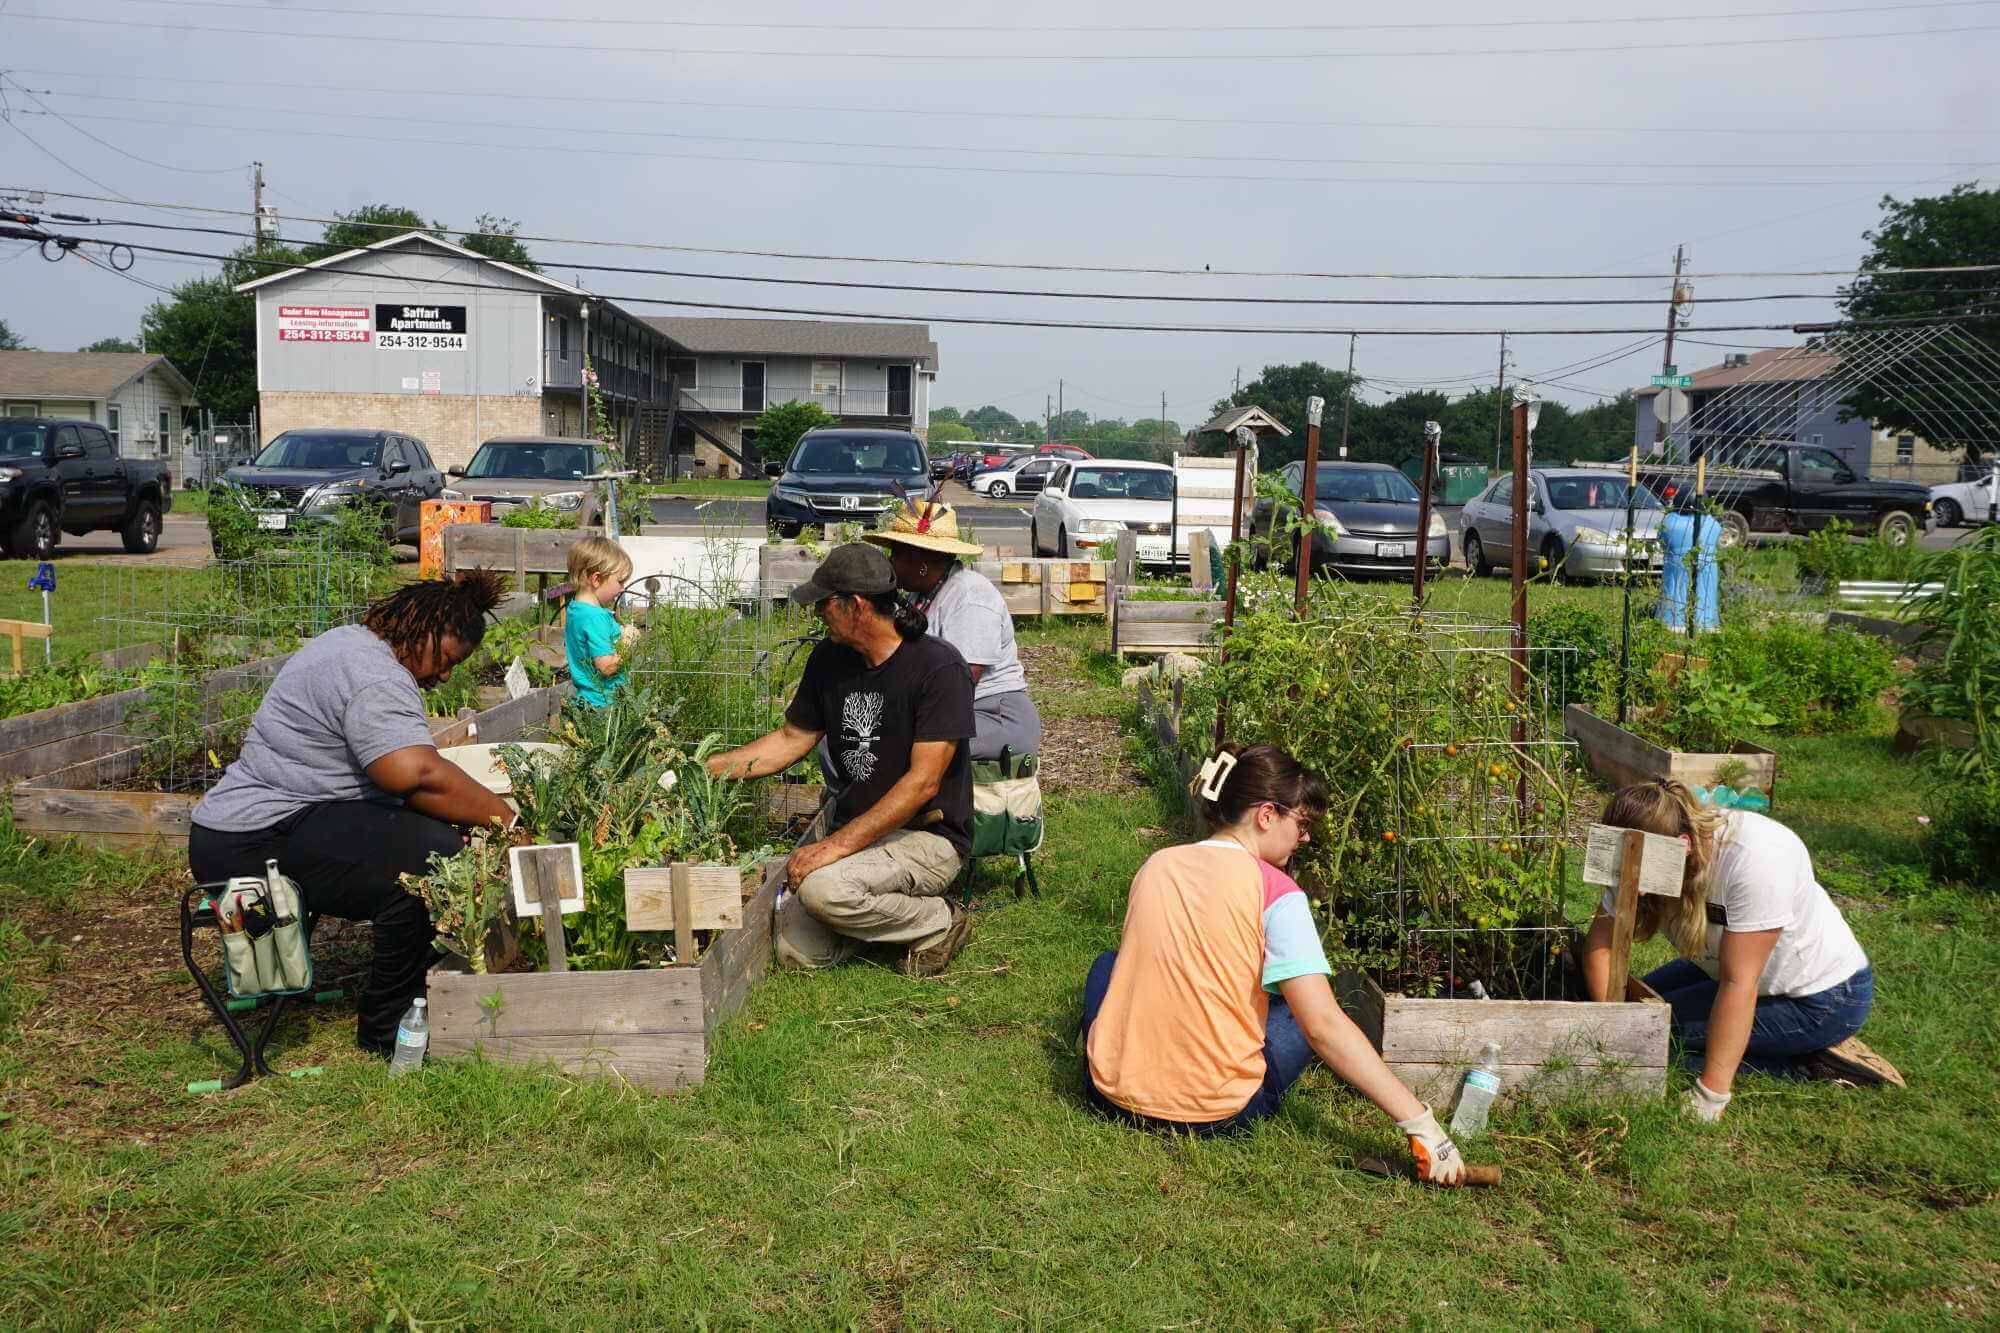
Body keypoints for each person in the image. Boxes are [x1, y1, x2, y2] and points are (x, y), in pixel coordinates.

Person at [1080, 743, 1468, 1184]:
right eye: (1301, 823)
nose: (1304, 838)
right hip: (1217, 1115)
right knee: (1305, 1010)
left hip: (1110, 1096)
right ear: (1267, 815)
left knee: (1110, 966)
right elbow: (1322, 1026)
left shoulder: (1158, 864)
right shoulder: (1278, 892)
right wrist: (1420, 1122)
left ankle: (1127, 1062)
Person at [188, 573, 519, 1055]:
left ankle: (411, 996)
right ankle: (389, 1030)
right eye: (446, 659)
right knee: (432, 867)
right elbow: (413, 774)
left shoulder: (352, 643)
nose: (445, 675)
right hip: (251, 842)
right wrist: (508, 823)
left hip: (254, 828)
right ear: (420, 630)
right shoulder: (376, 675)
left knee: (435, 840)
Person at [705, 543, 975, 977]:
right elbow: (792, 738)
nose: (817, 614)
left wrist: (832, 848)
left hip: (926, 836)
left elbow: (923, 783)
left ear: (857, 606)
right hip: (859, 836)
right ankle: (877, 921)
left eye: (824, 604)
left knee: (824, 893)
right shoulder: (830, 659)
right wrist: (704, 770)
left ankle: (940, 919)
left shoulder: (938, 667)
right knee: (798, 954)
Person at [1580, 780, 1901, 1123]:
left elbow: (1739, 984)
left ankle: (1812, 1062)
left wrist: (1709, 1096)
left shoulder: (1755, 860)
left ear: (1683, 847)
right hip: (1724, 971)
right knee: (1641, 1019)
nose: (1636, 892)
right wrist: (1610, 1027)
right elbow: (1603, 946)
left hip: (1821, 998)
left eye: (1643, 880)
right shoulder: (1637, 845)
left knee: (1658, 1039)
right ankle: (1775, 1043)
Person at [863, 496, 1042, 761]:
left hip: (990, 715)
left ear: (921, 561)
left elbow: (959, 685)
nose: (891, 560)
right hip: (953, 712)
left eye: (897, 553)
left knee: (890, 748)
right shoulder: (921, 597)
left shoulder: (969, 596)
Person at [563, 536, 640, 709]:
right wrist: (628, 640)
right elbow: (607, 667)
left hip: (589, 699)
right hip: (605, 705)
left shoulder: (576, 609)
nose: (622, 588)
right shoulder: (594, 617)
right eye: (620, 582)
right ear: (596, 579)